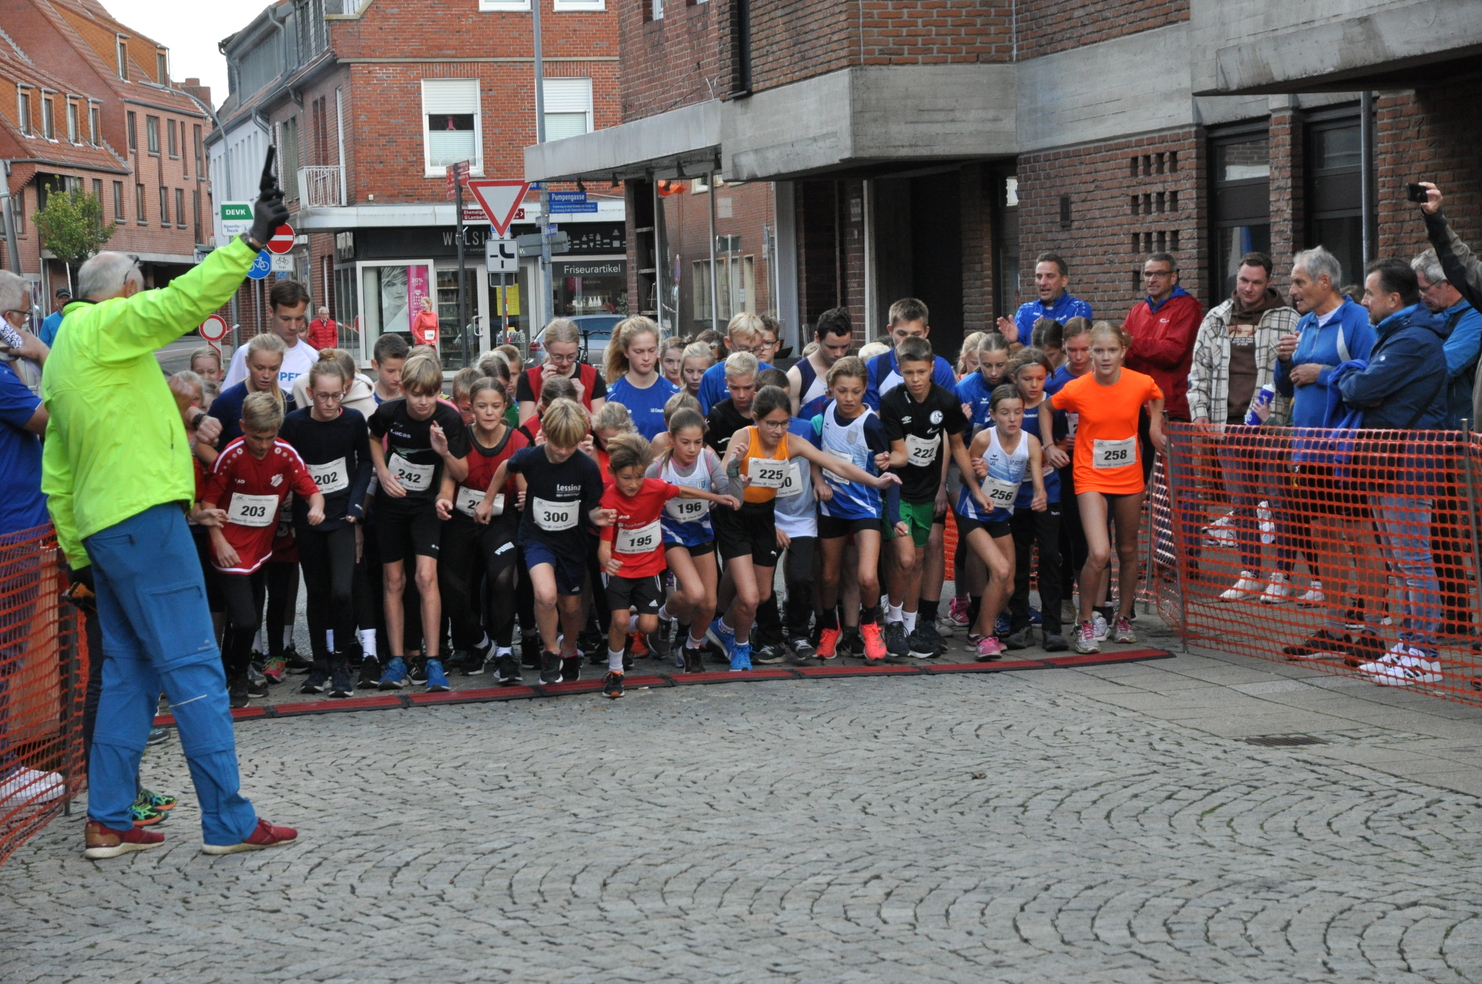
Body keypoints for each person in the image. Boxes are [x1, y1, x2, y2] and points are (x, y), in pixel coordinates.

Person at [43, 161, 298, 859]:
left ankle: (108, 818)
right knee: (193, 669)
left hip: (103, 530)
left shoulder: (67, 351)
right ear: (123, 292)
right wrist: (250, 244)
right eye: (137, 289)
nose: (143, 297)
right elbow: (180, 303)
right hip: (145, 522)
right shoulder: (107, 329)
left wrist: (75, 554)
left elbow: (57, 470)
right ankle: (228, 821)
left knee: (128, 672)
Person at [716, 384, 899, 669]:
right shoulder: (744, 437)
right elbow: (721, 483)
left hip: (764, 515)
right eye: (771, 423)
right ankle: (739, 644)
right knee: (751, 595)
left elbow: (836, 465)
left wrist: (875, 481)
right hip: (736, 515)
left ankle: (723, 627)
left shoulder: (791, 442)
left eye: (784, 423)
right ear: (755, 418)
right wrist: (735, 475)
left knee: (763, 594)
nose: (778, 430)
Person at [1333, 259, 1450, 686]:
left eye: (1369, 293)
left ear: (1394, 299)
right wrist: (1359, 385)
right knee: (1401, 563)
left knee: (1414, 562)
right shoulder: (1396, 335)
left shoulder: (1412, 340)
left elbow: (1362, 389)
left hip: (1409, 464)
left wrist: (1355, 384)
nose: (1363, 301)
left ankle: (1423, 654)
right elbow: (1364, 389)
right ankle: (1406, 645)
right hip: (1389, 462)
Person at [1275, 247, 1386, 663]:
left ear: (1325, 282)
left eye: (1299, 282)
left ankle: (1372, 631)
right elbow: (1288, 386)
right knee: (1322, 537)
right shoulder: (1304, 323)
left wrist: (1322, 374)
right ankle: (1336, 627)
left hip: (1344, 450)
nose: (1292, 290)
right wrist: (1283, 361)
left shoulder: (1358, 320)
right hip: (1306, 450)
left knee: (1359, 538)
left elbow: (1371, 375)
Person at [1186, 252, 1304, 604]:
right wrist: (1200, 414)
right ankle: (1250, 572)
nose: (1248, 288)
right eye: (1243, 281)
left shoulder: (1290, 318)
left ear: (1269, 282)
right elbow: (1198, 372)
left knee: (1280, 502)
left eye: (1256, 282)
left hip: (1273, 429)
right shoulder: (1216, 318)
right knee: (1241, 503)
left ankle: (1282, 574)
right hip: (1228, 427)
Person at [203, 392, 326, 706]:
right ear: (243, 427)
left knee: (247, 620)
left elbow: (311, 489)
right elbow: (208, 504)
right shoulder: (230, 456)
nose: (262, 444)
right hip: (229, 550)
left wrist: (316, 507)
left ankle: (233, 673)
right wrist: (218, 541)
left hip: (261, 551)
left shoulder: (284, 454)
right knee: (244, 620)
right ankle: (239, 677)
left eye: (269, 437)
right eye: (255, 437)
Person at [1050, 322, 1165, 655]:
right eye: (1096, 351)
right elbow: (1047, 408)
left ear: (1122, 352)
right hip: (1089, 475)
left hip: (1128, 475)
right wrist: (1048, 445)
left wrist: (1154, 427)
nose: (1103, 357)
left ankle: (1124, 618)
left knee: (1128, 551)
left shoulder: (1139, 382)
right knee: (1098, 552)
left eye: (1111, 350)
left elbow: (1158, 395)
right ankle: (1085, 621)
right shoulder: (1078, 387)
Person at [597, 433, 738, 696]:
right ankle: (615, 671)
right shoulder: (610, 500)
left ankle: (630, 623)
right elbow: (604, 547)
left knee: (648, 626)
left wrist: (718, 498)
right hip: (620, 569)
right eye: (626, 478)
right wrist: (608, 562)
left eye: (639, 476)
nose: (633, 484)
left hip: (649, 569)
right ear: (613, 472)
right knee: (618, 619)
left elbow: (682, 490)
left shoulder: (653, 487)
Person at [482, 399, 610, 684]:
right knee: (545, 594)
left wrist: (597, 516)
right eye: (557, 444)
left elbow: (592, 507)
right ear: (545, 434)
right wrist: (488, 500)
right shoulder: (532, 457)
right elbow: (506, 466)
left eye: (570, 445)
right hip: (537, 537)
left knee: (571, 607)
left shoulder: (586, 468)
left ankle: (569, 649)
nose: (563, 451)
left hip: (571, 543)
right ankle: (550, 652)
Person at [0, 271, 65, 811]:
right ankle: (4, 770)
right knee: (5, 654)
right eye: (22, 315)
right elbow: (54, 421)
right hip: (12, 533)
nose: (26, 324)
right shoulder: (2, 377)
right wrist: (43, 352)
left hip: (19, 528)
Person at [367, 354, 470, 692]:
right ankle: (396, 661)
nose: (423, 402)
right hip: (392, 505)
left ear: (438, 391)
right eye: (415, 394)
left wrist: (443, 452)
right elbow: (372, 436)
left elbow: (462, 473)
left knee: (426, 577)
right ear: (404, 390)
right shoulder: (389, 412)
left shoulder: (448, 418)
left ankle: (434, 660)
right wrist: (382, 472)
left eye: (429, 394)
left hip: (426, 506)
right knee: (394, 581)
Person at [879, 336, 983, 659]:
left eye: (921, 372)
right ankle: (892, 620)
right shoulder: (892, 401)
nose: (915, 379)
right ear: (900, 370)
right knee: (906, 558)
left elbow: (959, 447)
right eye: (908, 372)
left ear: (932, 368)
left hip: (927, 491)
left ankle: (910, 628)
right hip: (899, 490)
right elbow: (899, 452)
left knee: (919, 560)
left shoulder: (946, 400)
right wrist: (887, 461)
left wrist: (975, 489)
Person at [279, 354, 374, 698]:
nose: (331, 403)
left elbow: (365, 462)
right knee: (317, 593)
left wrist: (356, 504)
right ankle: (320, 665)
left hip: (341, 518)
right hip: (309, 518)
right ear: (310, 392)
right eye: (323, 396)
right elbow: (286, 461)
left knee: (342, 591)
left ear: (345, 391)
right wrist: (293, 495)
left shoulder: (351, 422)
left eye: (337, 395)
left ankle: (341, 665)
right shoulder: (294, 423)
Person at [436, 377, 528, 684]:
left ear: (505, 407)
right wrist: (442, 500)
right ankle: (478, 642)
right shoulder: (461, 436)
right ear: (470, 407)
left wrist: (527, 496)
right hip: (462, 519)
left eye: (495, 406)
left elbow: (524, 485)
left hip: (501, 520)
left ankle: (503, 652)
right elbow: (449, 479)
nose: (488, 412)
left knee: (503, 578)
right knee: (451, 590)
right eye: (481, 406)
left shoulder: (517, 441)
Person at [813, 358, 903, 662]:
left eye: (855, 391)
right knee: (828, 576)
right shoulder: (824, 412)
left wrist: (896, 516)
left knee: (866, 576)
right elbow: (814, 453)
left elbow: (888, 474)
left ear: (865, 389)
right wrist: (817, 480)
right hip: (832, 507)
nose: (849, 398)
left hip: (865, 507)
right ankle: (829, 627)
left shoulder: (872, 425)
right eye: (842, 391)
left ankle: (870, 624)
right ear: (830, 390)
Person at [957, 384, 1042, 659]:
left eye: (1018, 412)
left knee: (1009, 585)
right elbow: (963, 477)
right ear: (993, 414)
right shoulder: (983, 439)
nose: (1012, 419)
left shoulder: (1031, 442)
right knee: (1001, 570)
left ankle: (977, 632)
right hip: (973, 513)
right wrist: (978, 475)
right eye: (1005, 413)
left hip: (1002, 514)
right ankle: (985, 636)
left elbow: (1039, 484)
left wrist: (1040, 497)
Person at [648, 406, 730, 672]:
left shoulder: (707, 459)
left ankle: (691, 646)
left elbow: (726, 487)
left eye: (698, 442)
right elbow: (641, 497)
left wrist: (739, 481)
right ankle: (663, 617)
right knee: (693, 593)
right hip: (671, 531)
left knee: (709, 602)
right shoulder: (659, 467)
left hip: (700, 530)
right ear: (671, 440)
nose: (693, 448)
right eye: (685, 442)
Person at [1003, 348, 1068, 651]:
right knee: (1017, 561)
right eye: (1027, 378)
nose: (1033, 384)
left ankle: (1052, 627)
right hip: (1015, 497)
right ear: (1014, 378)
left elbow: (1060, 445)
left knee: (1051, 558)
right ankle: (1020, 624)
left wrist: (1047, 456)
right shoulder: (1009, 408)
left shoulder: (1052, 406)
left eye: (1040, 378)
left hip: (1048, 493)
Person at [1124, 251, 1201, 426]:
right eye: (1148, 274)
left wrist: (1132, 343)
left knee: (1173, 454)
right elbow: (1124, 354)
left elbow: (1173, 353)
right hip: (1138, 406)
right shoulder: (1137, 311)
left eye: (1159, 274)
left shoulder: (1187, 308)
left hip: (1171, 408)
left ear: (1173, 277)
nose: (1152, 279)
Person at [863, 298, 957, 409]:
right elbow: (873, 416)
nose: (908, 340)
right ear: (890, 330)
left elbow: (948, 414)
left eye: (916, 334)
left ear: (926, 332)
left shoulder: (940, 367)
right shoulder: (874, 367)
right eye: (902, 333)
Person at [223, 280, 316, 391]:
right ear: (271, 312)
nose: (293, 326)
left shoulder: (313, 358)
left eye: (299, 319)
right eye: (285, 319)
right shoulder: (246, 352)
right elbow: (228, 399)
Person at [208, 333, 293, 445]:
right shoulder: (227, 400)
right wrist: (226, 462)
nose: (266, 375)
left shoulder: (288, 402)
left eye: (273, 368)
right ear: (247, 362)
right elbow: (202, 446)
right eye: (259, 368)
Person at [604, 316, 680, 440]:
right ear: (626, 352)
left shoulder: (674, 394)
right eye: (639, 351)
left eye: (651, 350)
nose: (646, 357)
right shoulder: (612, 397)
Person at [518, 318, 607, 422]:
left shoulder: (591, 376)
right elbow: (524, 429)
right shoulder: (529, 378)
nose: (565, 363)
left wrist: (580, 404)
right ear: (546, 348)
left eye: (571, 356)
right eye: (558, 357)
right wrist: (543, 395)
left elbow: (601, 430)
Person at [998, 253, 1093, 343]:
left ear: (1064, 281)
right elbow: (1019, 354)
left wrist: (1046, 333)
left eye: (1050, 276)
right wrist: (1013, 341)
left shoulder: (1079, 308)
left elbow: (1076, 349)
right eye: (1039, 277)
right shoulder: (1025, 310)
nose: (1042, 282)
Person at [697, 314, 777, 413]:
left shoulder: (770, 374)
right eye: (743, 349)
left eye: (756, 349)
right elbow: (703, 419)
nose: (750, 355)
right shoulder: (712, 376)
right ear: (728, 342)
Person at [788, 306, 853, 419]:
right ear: (817, 337)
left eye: (844, 346)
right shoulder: (797, 376)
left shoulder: (856, 370)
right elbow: (790, 426)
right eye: (832, 347)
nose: (839, 353)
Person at [371, 333, 409, 405]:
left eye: (402, 370)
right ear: (375, 365)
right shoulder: (366, 396)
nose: (397, 378)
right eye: (390, 371)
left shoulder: (412, 400)